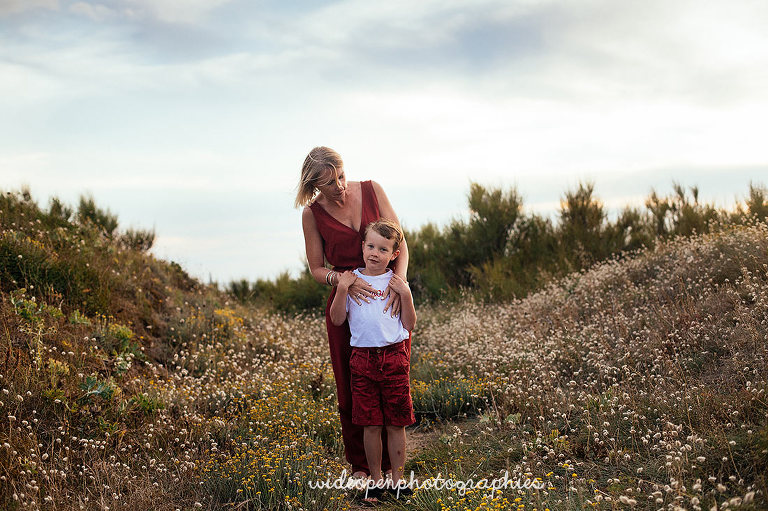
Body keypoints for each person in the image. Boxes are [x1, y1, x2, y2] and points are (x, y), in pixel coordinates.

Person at [296, 146, 410, 479]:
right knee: (351, 387)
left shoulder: (373, 190)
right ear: (314, 185)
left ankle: (394, 469)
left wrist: (399, 284)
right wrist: (341, 280)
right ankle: (362, 467)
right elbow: (316, 268)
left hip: (388, 301)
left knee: (393, 380)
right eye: (330, 183)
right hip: (347, 305)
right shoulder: (311, 214)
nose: (340, 186)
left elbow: (401, 245)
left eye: (342, 176)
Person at [329, 220, 416, 503]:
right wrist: (342, 289)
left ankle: (398, 481)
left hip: (394, 357)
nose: (375, 253)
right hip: (362, 360)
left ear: (394, 254)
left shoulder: (396, 282)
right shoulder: (352, 280)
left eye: (383, 249)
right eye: (370, 246)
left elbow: (409, 324)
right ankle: (376, 481)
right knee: (370, 424)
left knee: (396, 423)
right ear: (362, 247)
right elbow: (337, 320)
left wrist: (406, 294)